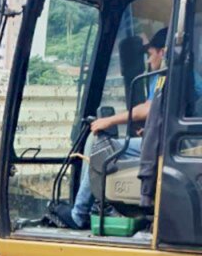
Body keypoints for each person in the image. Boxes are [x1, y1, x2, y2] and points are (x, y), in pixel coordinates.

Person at [55, 28, 166, 230]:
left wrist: (109, 121)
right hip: (171, 140)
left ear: (164, 52)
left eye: (150, 55)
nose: (149, 62)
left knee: (100, 145)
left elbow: (148, 109)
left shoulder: (167, 75)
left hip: (170, 145)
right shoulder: (180, 76)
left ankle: (79, 214)